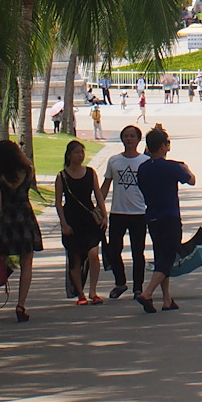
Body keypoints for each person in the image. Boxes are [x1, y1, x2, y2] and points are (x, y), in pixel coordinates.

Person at [135, 125, 195, 313]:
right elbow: (191, 180)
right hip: (169, 216)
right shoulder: (171, 167)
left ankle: (167, 299)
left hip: (152, 216)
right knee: (168, 257)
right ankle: (148, 292)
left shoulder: (143, 168)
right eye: (167, 144)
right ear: (162, 146)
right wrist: (186, 168)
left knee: (161, 256)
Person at [0, 138, 41, 323]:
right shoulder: (27, 170)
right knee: (27, 263)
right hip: (24, 218)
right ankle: (21, 305)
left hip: (6, 221)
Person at [55, 139, 107, 304]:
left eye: (82, 152)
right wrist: (63, 223)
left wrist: (104, 215)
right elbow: (58, 203)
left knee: (93, 254)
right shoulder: (62, 176)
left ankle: (93, 291)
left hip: (89, 220)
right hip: (72, 219)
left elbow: (98, 195)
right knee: (75, 257)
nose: (80, 155)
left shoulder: (91, 172)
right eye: (76, 152)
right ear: (69, 155)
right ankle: (80, 294)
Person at [100, 124, 148, 301]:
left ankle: (138, 287)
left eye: (132, 136)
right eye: (126, 136)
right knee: (114, 250)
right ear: (122, 139)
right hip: (117, 212)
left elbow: (151, 187)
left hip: (138, 213)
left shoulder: (144, 161)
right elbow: (105, 186)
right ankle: (120, 282)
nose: (129, 139)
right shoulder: (114, 161)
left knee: (138, 252)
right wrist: (98, 206)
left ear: (138, 139)